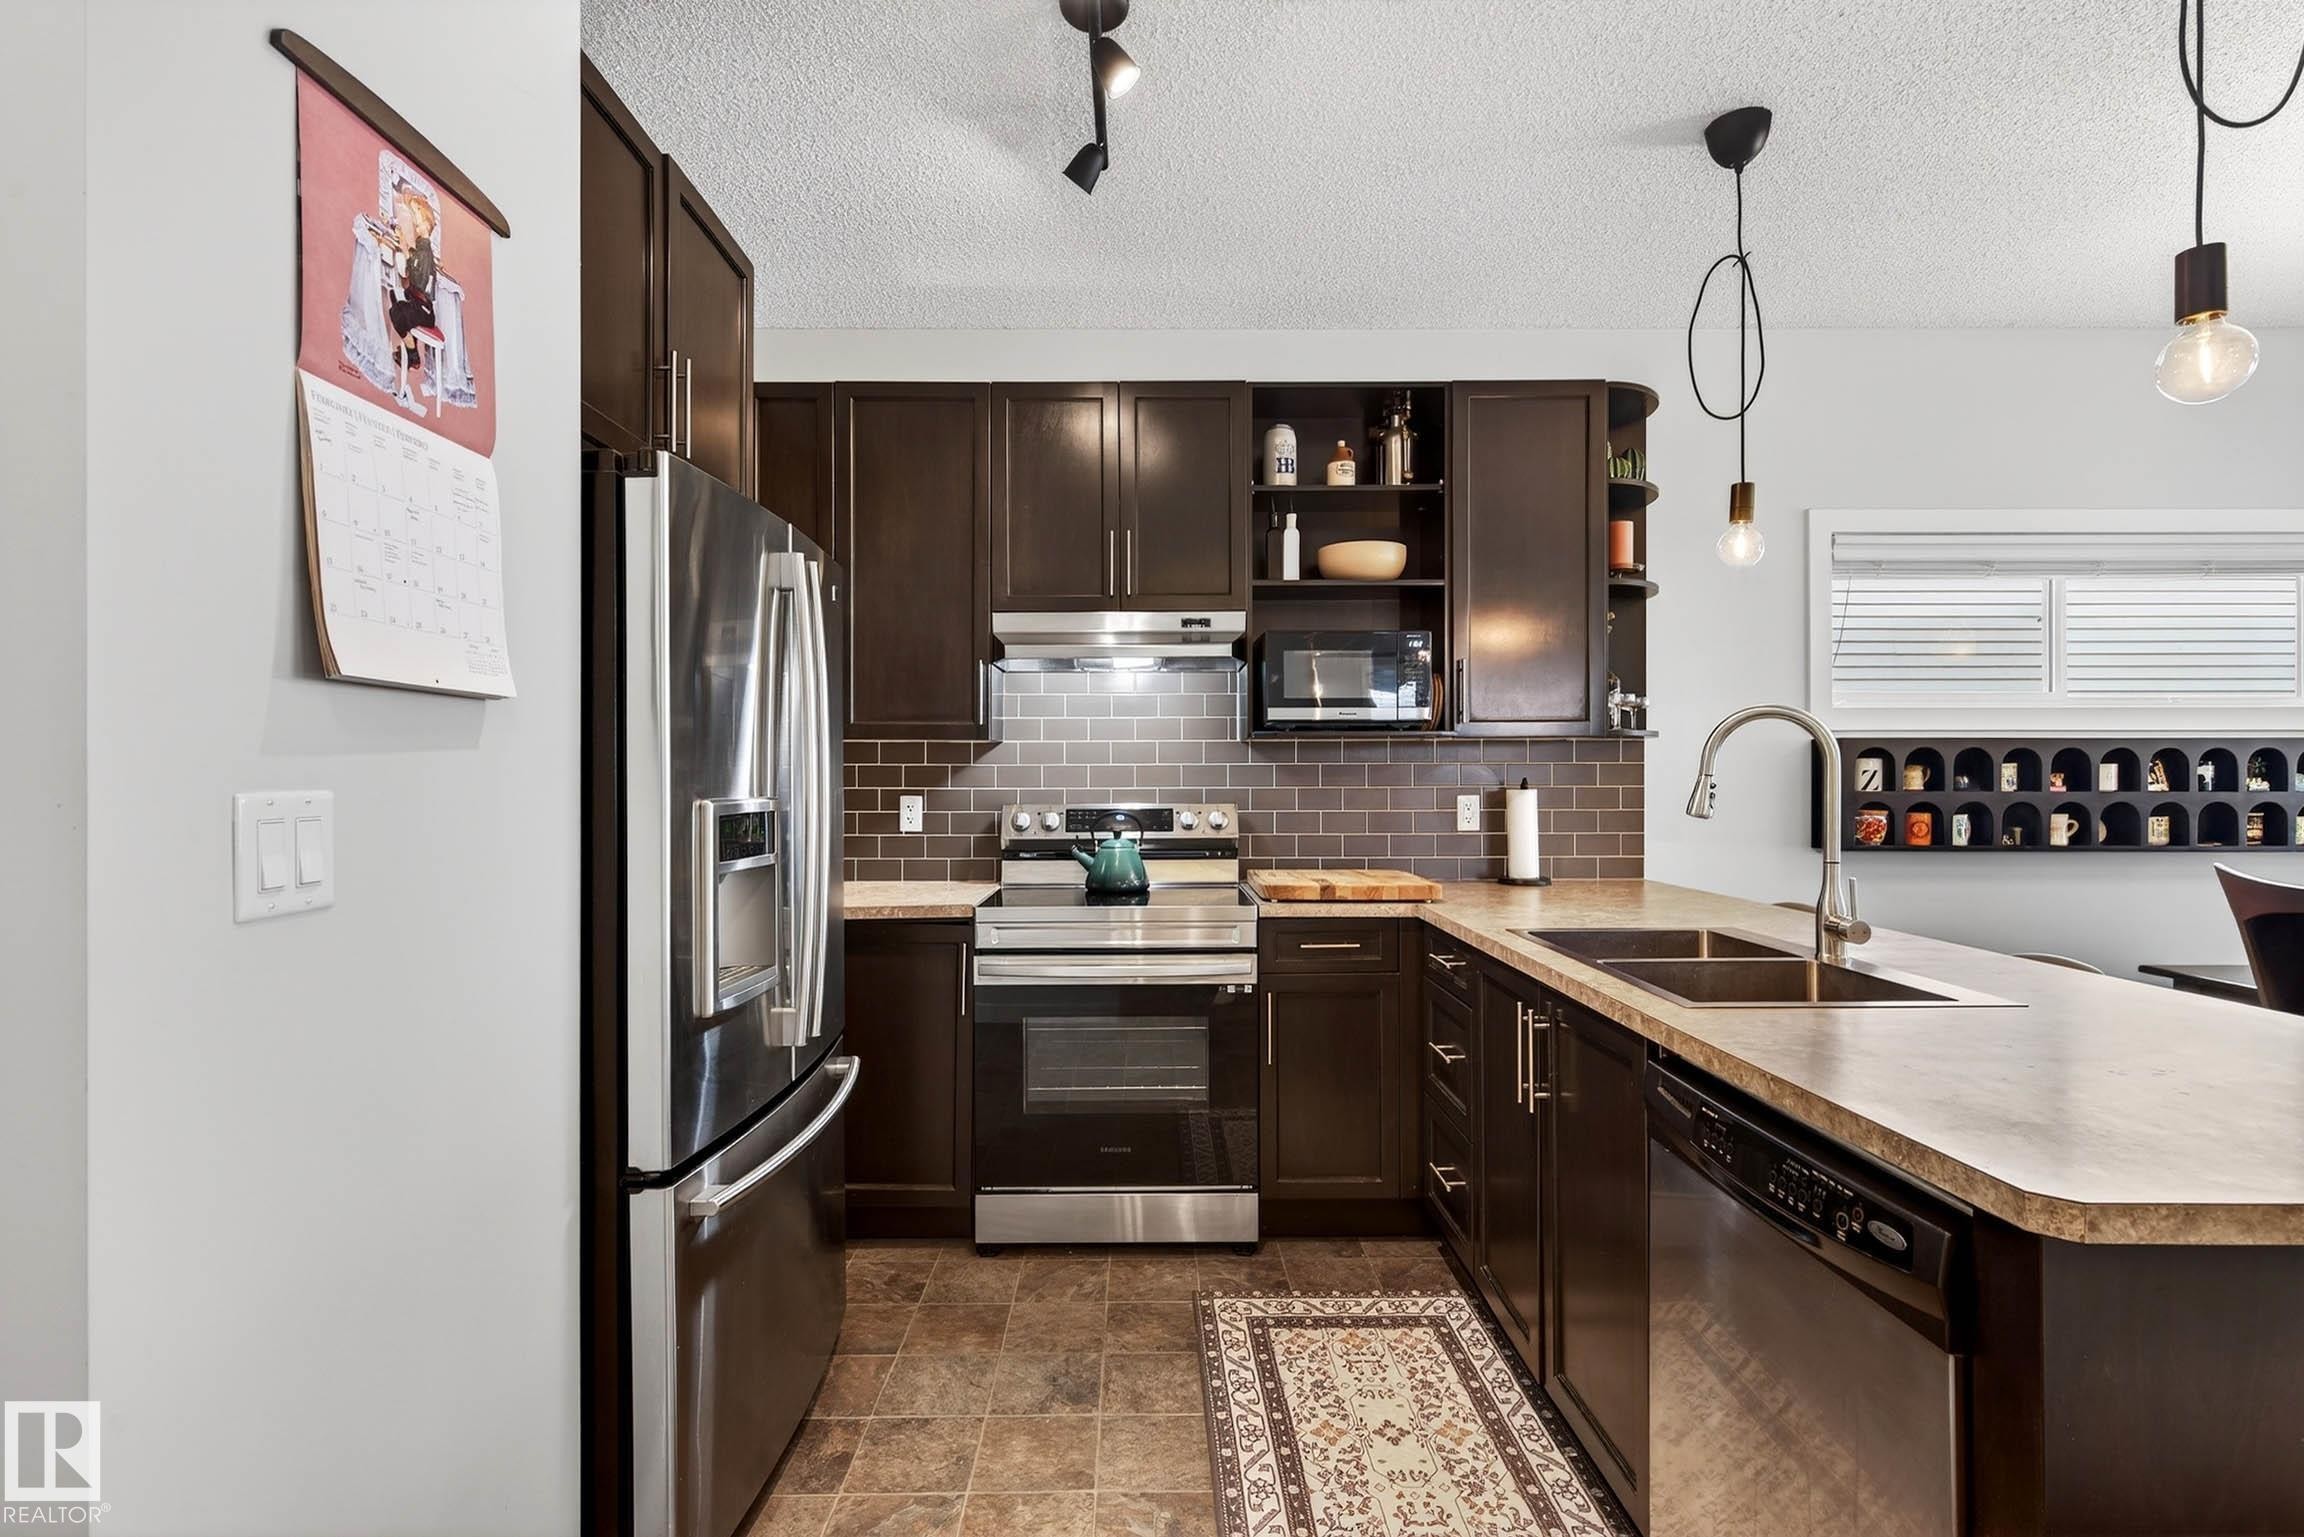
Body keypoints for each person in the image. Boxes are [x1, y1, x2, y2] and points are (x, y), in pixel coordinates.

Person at [385, 185, 439, 417]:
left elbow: (414, 278)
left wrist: (406, 251)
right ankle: (410, 350)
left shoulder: (425, 250)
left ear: (426, 225)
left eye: (417, 219)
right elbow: (409, 276)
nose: (415, 224)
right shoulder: (421, 248)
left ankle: (411, 353)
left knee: (398, 311)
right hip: (418, 303)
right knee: (394, 297)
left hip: (424, 309)